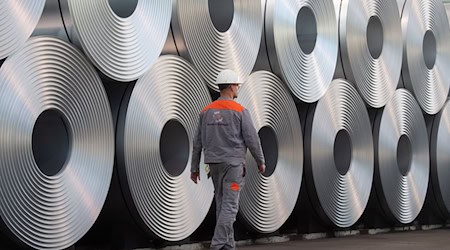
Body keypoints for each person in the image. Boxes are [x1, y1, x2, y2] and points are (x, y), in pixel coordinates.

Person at [191, 69, 266, 249]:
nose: (238, 87)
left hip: (214, 165)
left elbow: (197, 142)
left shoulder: (205, 112)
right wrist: (260, 160)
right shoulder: (240, 110)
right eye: (237, 85)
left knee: (222, 205)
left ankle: (228, 247)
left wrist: (194, 168)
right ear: (232, 86)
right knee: (230, 207)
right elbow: (252, 138)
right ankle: (217, 246)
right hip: (233, 166)